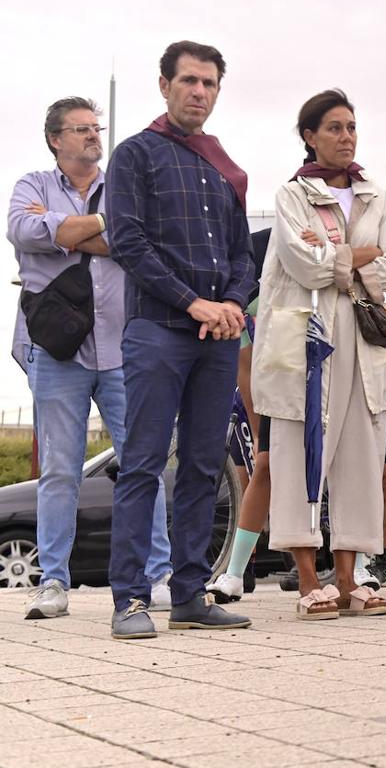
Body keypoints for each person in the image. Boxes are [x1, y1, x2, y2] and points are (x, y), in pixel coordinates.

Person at [106, 41, 254, 639]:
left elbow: (243, 254)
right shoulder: (135, 154)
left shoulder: (223, 168)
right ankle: (131, 601)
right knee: (142, 464)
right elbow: (127, 240)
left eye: (210, 83)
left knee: (201, 465)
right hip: (158, 333)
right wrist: (193, 302)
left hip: (217, 339)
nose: (199, 92)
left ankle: (189, 595)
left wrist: (233, 305)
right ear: (164, 84)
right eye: (189, 81)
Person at [8, 97, 172, 619]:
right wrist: (102, 224)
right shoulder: (30, 186)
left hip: (126, 348)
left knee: (142, 464)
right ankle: (53, 581)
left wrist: (65, 233)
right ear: (56, 139)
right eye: (80, 129)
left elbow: (141, 245)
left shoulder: (125, 183)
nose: (92, 136)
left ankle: (159, 573)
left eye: (95, 128)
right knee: (60, 471)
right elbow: (25, 231)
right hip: (59, 352)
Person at [252, 88, 386, 620]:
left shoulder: (377, 197)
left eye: (351, 126)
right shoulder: (292, 195)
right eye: (334, 128)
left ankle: (349, 576)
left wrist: (341, 259)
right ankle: (306, 579)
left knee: (362, 453)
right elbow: (306, 266)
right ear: (310, 137)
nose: (346, 137)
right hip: (302, 338)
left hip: (363, 341)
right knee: (297, 452)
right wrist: (360, 259)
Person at [205, 227, 271, 603]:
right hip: (263, 397)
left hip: (316, 392)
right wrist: (256, 423)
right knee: (258, 471)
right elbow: (244, 366)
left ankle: (353, 565)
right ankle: (236, 570)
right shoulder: (246, 303)